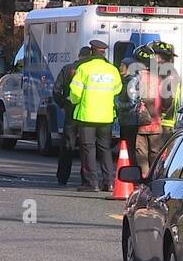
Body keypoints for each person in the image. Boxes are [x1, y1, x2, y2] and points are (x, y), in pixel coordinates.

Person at [69, 40, 122, 192]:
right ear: (103, 53)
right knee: (105, 148)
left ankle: (91, 183)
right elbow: (117, 89)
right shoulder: (112, 70)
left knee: (88, 148)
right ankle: (109, 182)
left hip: (87, 115)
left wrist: (73, 101)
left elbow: (75, 92)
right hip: (106, 116)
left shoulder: (84, 68)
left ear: (91, 52)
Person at [53, 46, 91, 186]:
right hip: (89, 112)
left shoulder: (68, 68)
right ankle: (86, 179)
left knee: (68, 145)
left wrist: (62, 105)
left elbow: (57, 90)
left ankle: (62, 177)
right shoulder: (92, 71)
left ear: (79, 55)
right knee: (87, 147)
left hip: (71, 111)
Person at [131, 44, 169, 177]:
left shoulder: (138, 78)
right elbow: (166, 99)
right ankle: (155, 178)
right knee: (155, 153)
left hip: (143, 122)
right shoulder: (160, 77)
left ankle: (145, 179)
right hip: (157, 121)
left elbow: (135, 97)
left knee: (141, 153)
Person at [149, 41, 181, 141]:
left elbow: (168, 96)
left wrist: (161, 113)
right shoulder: (170, 70)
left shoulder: (165, 72)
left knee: (161, 151)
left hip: (165, 121)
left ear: (159, 56)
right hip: (169, 120)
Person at [115, 57, 141, 167]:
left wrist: (118, 104)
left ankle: (131, 172)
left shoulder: (131, 81)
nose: (120, 67)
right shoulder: (126, 81)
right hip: (126, 120)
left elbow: (133, 102)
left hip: (130, 121)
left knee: (129, 149)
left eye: (123, 65)